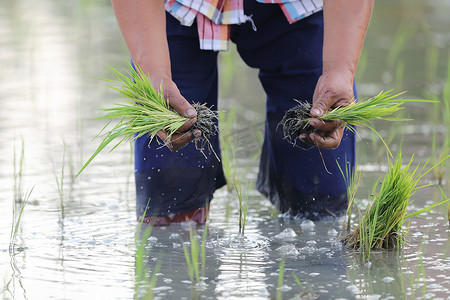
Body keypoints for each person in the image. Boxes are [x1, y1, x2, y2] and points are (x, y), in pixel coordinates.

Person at [111, 0, 374, 225]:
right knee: (168, 202)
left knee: (321, 201)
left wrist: (340, 70)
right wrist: (154, 74)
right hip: (176, 7)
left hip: (298, 7)